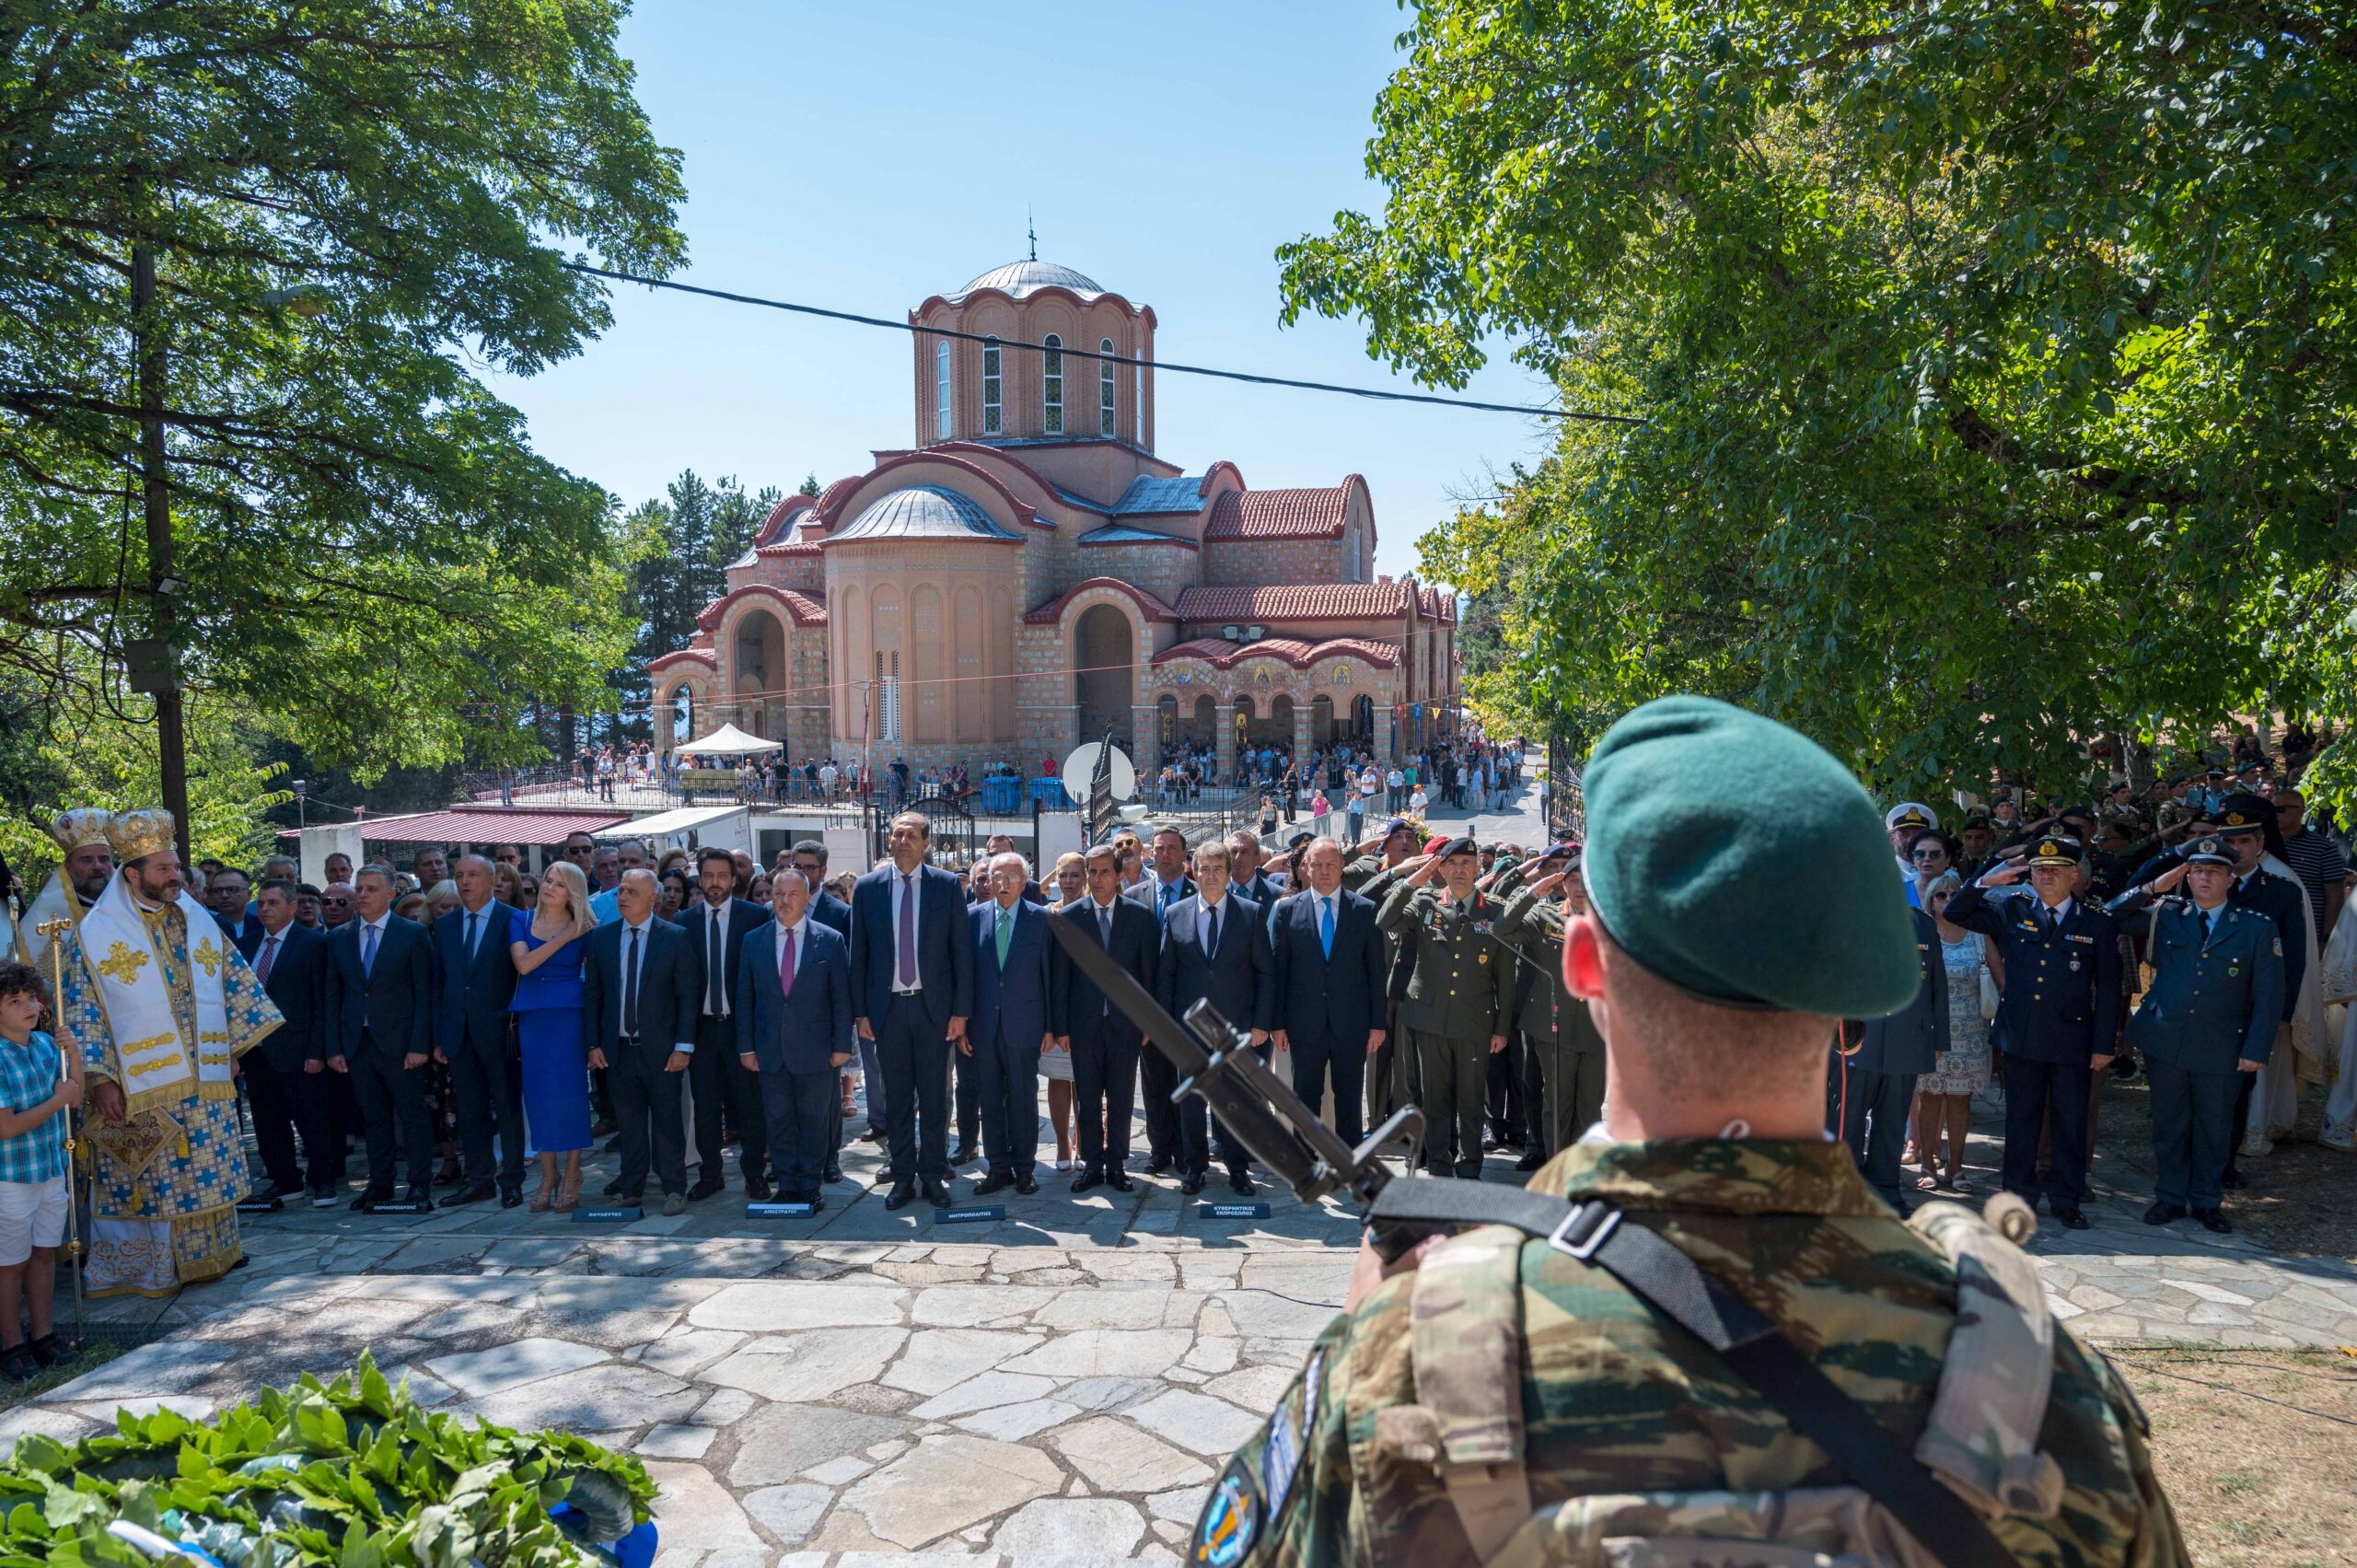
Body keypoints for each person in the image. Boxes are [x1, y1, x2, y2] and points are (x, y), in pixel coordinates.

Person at [1202, 696, 2185, 1568]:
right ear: (1849, 1016)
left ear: (1583, 966)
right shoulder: (2044, 1397)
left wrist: (1364, 1333)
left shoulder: (1411, 1365)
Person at [50, 809, 283, 1294]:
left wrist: (233, 1047)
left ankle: (215, 1255)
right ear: (132, 875)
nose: (176, 876)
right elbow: (81, 1010)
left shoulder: (195, 922)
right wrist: (101, 1079)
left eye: (176, 866)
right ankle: (155, 1267)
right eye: (163, 869)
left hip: (204, 1075)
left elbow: (232, 983)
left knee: (208, 1166)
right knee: (156, 1175)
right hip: (141, 1087)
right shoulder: (92, 937)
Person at [1944, 833, 2119, 1229]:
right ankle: (2019, 1197)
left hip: (2071, 1038)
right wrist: (1987, 880)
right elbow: (1957, 912)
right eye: (2040, 871)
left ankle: (2066, 1197)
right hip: (2021, 1035)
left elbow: (2109, 989)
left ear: (2074, 874)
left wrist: (2103, 1044)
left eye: (2056, 871)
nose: (2047, 878)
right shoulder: (2013, 910)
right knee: (2020, 1121)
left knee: (2069, 1121)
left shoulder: (2096, 922)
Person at [2107, 838, 2282, 1233]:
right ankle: (2169, 1196)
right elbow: (2109, 916)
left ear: (2230, 879)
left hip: (2222, 1044)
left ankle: (2206, 1200)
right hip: (2166, 1039)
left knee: (2214, 1126)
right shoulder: (2166, 914)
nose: (2204, 877)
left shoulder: (2256, 927)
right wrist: (2153, 886)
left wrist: (2255, 1048)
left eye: (2214, 871)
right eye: (2197, 870)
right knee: (2169, 1124)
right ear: (2187, 876)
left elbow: (2269, 996)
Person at [849, 812, 973, 1210]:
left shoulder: (946, 886)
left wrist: (960, 1011)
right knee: (895, 1098)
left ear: (925, 843)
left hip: (933, 1009)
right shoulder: (868, 889)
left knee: (935, 1098)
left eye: (911, 835)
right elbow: (860, 956)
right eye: (896, 834)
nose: (902, 840)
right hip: (887, 1011)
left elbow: (961, 955)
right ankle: (902, 1176)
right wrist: (861, 1013)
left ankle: (933, 1175)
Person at [1376, 838, 1512, 1179]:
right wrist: (1414, 880)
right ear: (1441, 868)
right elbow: (1385, 919)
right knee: (1434, 1099)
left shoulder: (1494, 911)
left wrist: (1502, 1027)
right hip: (1429, 1019)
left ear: (1479, 866)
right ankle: (1437, 1163)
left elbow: (1505, 978)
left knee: (1470, 1099)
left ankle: (1469, 1166)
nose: (1460, 870)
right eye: (1452, 863)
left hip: (1474, 1020)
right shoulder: (1425, 903)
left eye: (1467, 863)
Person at [1155, 841, 1273, 1196]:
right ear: (1195, 870)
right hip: (1189, 1032)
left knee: (1236, 1103)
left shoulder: (1251, 914)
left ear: (1227, 874)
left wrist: (1260, 1024)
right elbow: (1167, 975)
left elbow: (1265, 973)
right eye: (1203, 869)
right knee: (1192, 1103)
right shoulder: (1175, 914)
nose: (1209, 876)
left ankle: (1238, 1169)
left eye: (1217, 869)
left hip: (1236, 1031)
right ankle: (1195, 1168)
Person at [581, 869, 702, 1215]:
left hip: (662, 1051)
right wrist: (593, 1044)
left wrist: (684, 1046)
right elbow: (593, 996)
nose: (622, 897)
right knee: (629, 1124)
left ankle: (674, 1187)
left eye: (632, 892)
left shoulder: (674, 937)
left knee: (667, 1123)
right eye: (621, 890)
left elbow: (687, 997)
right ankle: (631, 1187)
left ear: (653, 899)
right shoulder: (602, 938)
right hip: (617, 1050)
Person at [735, 867, 854, 1207]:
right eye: (777, 895)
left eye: (791, 895)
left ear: (805, 898)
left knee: (815, 1122)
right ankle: (787, 1185)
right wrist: (747, 1047)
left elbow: (840, 999)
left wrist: (841, 1047)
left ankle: (810, 1184)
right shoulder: (753, 940)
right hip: (770, 1051)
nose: (784, 902)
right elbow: (746, 998)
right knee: (779, 1120)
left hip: (816, 1052)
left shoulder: (829, 940)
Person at [326, 864, 437, 1212]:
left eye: (371, 889)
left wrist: (420, 1045)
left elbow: (425, 994)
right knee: (373, 1117)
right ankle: (381, 1183)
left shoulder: (412, 934)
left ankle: (419, 1184)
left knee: (412, 1115)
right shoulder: (340, 937)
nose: (362, 895)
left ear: (391, 894)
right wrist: (334, 1047)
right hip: (358, 1043)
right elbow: (333, 995)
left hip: (401, 1043)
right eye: (359, 888)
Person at [1267, 838, 1387, 1147]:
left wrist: (1377, 1024)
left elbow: (1375, 972)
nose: (1324, 871)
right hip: (1304, 1024)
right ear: (1305, 867)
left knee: (1348, 1099)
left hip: (1352, 1024)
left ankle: (1350, 1166)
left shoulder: (1364, 911)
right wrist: (1277, 1023)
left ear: (1342, 866)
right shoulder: (1287, 911)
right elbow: (1279, 972)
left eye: (1331, 864)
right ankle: (1307, 1166)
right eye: (1317, 864)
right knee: (1305, 1100)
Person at [1052, 844, 1157, 1193]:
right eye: (1092, 872)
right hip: (1083, 1026)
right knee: (1087, 1096)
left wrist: (1146, 1023)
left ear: (1118, 876)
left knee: (1122, 1096)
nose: (1097, 880)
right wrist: (1062, 1027)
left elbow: (1148, 977)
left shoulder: (1140, 917)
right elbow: (1061, 979)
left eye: (1104, 872)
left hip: (1125, 1026)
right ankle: (1092, 1164)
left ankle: (1117, 1165)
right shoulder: (1070, 917)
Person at [1831, 900, 1948, 1211]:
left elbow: (1937, 983)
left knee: (1892, 1123)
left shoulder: (1922, 923)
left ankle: (1885, 1190)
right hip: (1855, 1042)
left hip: (1906, 1040)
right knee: (1847, 1122)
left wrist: (1938, 1037)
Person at [1492, 844, 1604, 1160]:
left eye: (1586, 880)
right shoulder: (1545, 915)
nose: (1579, 888)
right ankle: (1558, 1167)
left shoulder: (1611, 917)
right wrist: (1531, 893)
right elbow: (1502, 929)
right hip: (1554, 1029)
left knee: (1590, 1105)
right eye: (1572, 881)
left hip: (1597, 1030)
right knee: (1557, 1102)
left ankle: (1585, 1170)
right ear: (1562, 883)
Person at [0, 960, 81, 1379]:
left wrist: (74, 1055)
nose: (28, 1006)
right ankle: (11, 1343)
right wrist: (58, 1098)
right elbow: (6, 1126)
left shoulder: (46, 1046)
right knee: (9, 1264)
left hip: (49, 1167)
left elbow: (75, 1097)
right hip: (10, 1178)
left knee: (44, 1254)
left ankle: (43, 1335)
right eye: (15, 1001)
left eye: (31, 997)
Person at [238, 877, 341, 1206]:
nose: (265, 909)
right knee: (268, 1121)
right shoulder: (247, 945)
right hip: (257, 1051)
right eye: (262, 903)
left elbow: (322, 1002)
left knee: (312, 1119)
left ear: (292, 906)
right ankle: (285, 1180)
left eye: (273, 903)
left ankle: (324, 1180)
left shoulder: (313, 944)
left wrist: (317, 1051)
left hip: (300, 1051)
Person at [678, 846, 772, 1201]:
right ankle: (710, 1175)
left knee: (749, 1106)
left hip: (741, 1028)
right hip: (702, 1030)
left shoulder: (755, 917)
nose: (714, 883)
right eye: (708, 876)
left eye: (721, 876)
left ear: (734, 879)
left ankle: (754, 1175)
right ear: (699, 880)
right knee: (705, 1108)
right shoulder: (684, 923)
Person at [430, 855, 524, 1210]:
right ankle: (480, 1180)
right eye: (459, 876)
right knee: (469, 1111)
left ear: (491, 879)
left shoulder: (513, 920)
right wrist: (439, 1034)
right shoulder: (447, 925)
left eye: (473, 875)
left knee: (508, 1108)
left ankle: (512, 1181)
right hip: (459, 1031)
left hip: (500, 1031)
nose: (465, 881)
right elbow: (442, 982)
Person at [965, 853, 1052, 1197]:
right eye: (995, 876)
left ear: (1025, 881)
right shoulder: (971, 918)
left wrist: (1050, 1026)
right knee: (989, 1097)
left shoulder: (1041, 920)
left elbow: (1050, 977)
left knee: (1023, 1098)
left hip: (1025, 1024)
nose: (1001, 883)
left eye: (1011, 876)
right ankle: (997, 1167)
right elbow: (965, 976)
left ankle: (1025, 1168)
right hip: (983, 1026)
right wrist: (962, 1023)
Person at [509, 861, 594, 1212]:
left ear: (572, 892)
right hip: (533, 1017)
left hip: (570, 1016)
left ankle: (573, 1172)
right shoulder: (521, 920)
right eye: (548, 880)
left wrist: (577, 931)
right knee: (539, 1096)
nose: (549, 887)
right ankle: (548, 1174)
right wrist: (566, 936)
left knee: (572, 1094)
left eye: (559, 884)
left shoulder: (588, 928)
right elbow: (524, 965)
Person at [1123, 827, 1196, 1175]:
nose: (1165, 854)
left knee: (1186, 1084)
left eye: (1172, 848)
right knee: (1153, 1084)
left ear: (1184, 854)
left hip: (1187, 1008)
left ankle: (1186, 1151)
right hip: (1148, 1009)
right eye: (1159, 848)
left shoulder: (1201, 894)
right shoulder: (1135, 896)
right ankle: (1159, 1149)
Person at [1917, 872, 1996, 1192]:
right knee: (1930, 1099)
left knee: (1960, 1103)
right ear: (1930, 901)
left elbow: (2002, 981)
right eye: (1940, 895)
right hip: (1931, 1032)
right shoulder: (1921, 934)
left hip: (1971, 1034)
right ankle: (1926, 1165)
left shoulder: (1980, 936)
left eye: (1954, 895)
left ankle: (1956, 1168)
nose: (1947, 900)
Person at [16, 809, 114, 971]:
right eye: (86, 860)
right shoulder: (41, 921)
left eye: (104, 859)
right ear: (68, 868)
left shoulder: (132, 904)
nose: (98, 866)